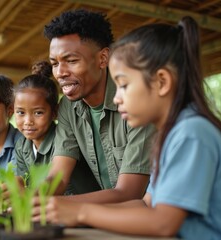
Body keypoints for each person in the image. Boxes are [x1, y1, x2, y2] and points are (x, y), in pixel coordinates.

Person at [44, 16, 221, 239]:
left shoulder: (192, 133)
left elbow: (164, 223)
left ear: (162, 82)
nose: (116, 98)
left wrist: (81, 212)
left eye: (124, 85)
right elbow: (145, 205)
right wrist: (61, 209)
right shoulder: (171, 134)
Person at [42, 9, 154, 201]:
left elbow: (130, 193)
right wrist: (29, 196)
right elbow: (57, 178)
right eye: (54, 63)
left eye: (71, 61)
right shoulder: (68, 108)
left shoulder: (136, 104)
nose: (60, 72)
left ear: (103, 59)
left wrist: (59, 205)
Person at [14, 60, 59, 178]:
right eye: (20, 112)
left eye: (38, 113)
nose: (28, 121)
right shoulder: (21, 146)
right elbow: (24, 184)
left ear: (54, 112)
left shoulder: (62, 141)